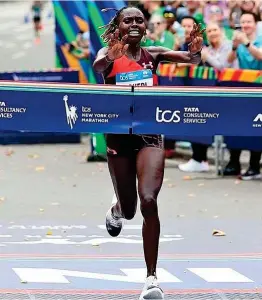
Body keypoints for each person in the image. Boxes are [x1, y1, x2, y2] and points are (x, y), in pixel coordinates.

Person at [93, 6, 204, 299]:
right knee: (130, 210)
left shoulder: (152, 54)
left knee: (149, 200)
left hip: (150, 136)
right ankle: (117, 209)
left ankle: (151, 279)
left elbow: (191, 59)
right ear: (118, 26)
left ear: (145, 27)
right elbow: (98, 68)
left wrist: (195, 47)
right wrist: (113, 52)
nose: (133, 23)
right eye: (127, 20)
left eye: (139, 20)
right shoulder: (108, 54)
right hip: (118, 138)